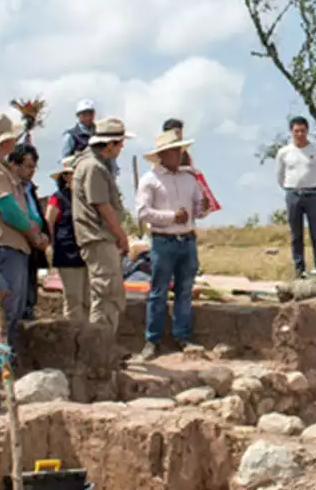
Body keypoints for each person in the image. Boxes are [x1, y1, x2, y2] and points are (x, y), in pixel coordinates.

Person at [0, 112, 47, 376]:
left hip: (13, 245)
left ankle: (4, 366)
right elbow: (10, 210)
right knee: (4, 314)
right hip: (5, 245)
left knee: (11, 314)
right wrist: (34, 234)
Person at [136, 129, 209, 361]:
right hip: (163, 240)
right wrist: (170, 217)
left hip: (186, 238)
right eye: (175, 152)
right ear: (163, 155)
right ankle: (152, 339)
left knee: (184, 290)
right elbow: (143, 212)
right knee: (158, 292)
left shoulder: (190, 179)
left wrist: (202, 207)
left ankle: (182, 336)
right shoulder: (150, 180)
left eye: (180, 151)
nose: (179, 156)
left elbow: (198, 210)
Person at [72, 116, 134, 336]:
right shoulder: (94, 167)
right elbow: (102, 205)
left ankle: (104, 346)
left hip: (99, 238)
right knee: (106, 294)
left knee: (107, 294)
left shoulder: (94, 165)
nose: (121, 147)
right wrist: (121, 234)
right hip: (98, 237)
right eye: (119, 143)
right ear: (109, 144)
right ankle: (100, 348)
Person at [275, 116, 316, 278]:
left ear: (307, 131)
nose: (300, 134)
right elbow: (280, 175)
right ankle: (299, 269)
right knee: (296, 234)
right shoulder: (284, 152)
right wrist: (289, 188)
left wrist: (315, 186)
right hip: (293, 194)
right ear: (291, 132)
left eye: (303, 131)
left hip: (312, 194)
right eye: (296, 131)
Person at [44, 155, 88, 323]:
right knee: (73, 298)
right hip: (67, 253)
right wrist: (51, 247)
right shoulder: (58, 198)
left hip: (86, 251)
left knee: (88, 299)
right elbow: (49, 222)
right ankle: (72, 337)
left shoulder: (86, 197)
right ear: (65, 176)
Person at [8, 144, 48, 321]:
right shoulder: (9, 188)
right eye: (28, 166)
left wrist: (45, 236)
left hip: (34, 247)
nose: (31, 171)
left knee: (30, 293)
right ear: (14, 165)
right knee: (17, 297)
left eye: (34, 167)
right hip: (18, 244)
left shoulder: (30, 189)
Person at [62, 99, 119, 176]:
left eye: (90, 113)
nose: (88, 116)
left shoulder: (101, 133)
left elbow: (110, 157)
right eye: (84, 114)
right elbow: (66, 162)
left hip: (102, 175)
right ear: (78, 115)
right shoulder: (71, 136)